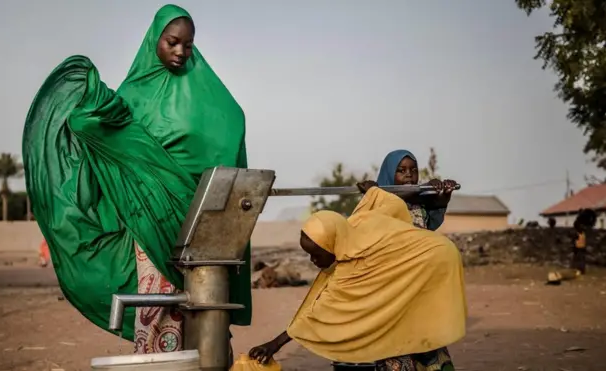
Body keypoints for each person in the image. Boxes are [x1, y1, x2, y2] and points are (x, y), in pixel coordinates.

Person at [23, 4, 250, 357]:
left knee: (208, 308)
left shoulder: (210, 95)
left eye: (188, 46)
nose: (180, 52)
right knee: (160, 308)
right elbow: (105, 136)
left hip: (205, 223)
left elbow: (229, 131)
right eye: (172, 43)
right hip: (149, 223)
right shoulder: (130, 97)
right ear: (153, 41)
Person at [249, 181, 467, 371]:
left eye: (316, 254)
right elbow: (392, 204)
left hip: (434, 267)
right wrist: (373, 192)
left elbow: (315, 317)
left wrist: (273, 345)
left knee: (400, 336)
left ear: (331, 244)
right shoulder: (357, 222)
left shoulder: (350, 271)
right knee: (416, 329)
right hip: (437, 254)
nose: (312, 261)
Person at [377, 149, 457, 231]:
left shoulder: (420, 203)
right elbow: (395, 199)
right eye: (402, 170)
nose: (409, 174)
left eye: (414, 170)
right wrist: (424, 187)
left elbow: (433, 222)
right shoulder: (376, 200)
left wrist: (445, 195)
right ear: (389, 173)